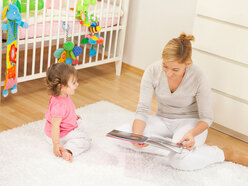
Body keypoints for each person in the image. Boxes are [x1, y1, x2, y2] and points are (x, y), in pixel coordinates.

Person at [117, 33, 248, 170]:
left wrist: (191, 134)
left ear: (188, 64)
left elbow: (207, 118)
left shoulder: (198, 76)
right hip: (162, 119)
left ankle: (224, 153)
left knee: (180, 162)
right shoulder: (152, 71)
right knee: (123, 136)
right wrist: (137, 136)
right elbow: (143, 109)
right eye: (165, 66)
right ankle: (174, 149)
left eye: (175, 69)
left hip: (189, 123)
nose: (168, 73)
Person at [44, 63, 91, 162]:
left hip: (65, 127)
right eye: (73, 83)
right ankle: (68, 150)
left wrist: (72, 116)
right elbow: (55, 126)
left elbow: (66, 112)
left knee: (80, 122)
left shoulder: (63, 94)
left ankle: (78, 137)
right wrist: (56, 144)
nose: (77, 84)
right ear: (61, 86)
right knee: (85, 140)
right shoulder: (59, 105)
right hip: (60, 135)